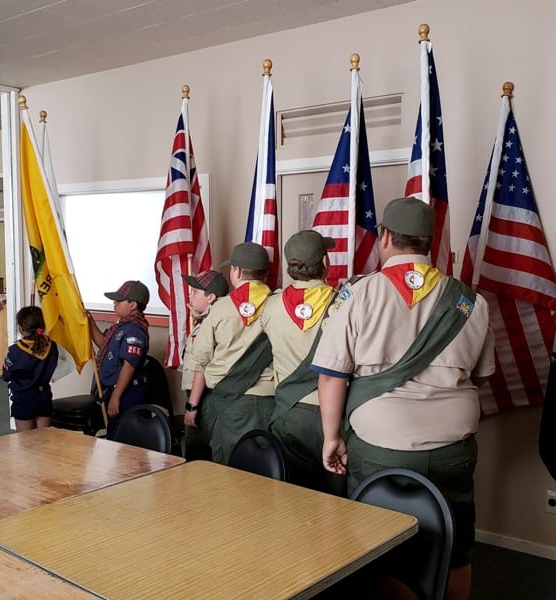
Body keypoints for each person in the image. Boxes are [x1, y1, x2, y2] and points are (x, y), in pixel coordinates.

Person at [311, 197, 496, 600]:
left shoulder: (357, 295)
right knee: (455, 542)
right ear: (429, 243)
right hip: (452, 448)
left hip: (381, 446)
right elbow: (480, 378)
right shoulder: (470, 302)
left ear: (387, 238)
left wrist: (331, 438)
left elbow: (331, 376)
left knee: (375, 545)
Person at [261, 230, 344, 493]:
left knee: (292, 498)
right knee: (337, 503)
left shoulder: (271, 306)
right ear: (326, 263)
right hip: (333, 414)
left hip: (288, 412)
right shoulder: (343, 305)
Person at [184, 242, 275, 464]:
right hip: (269, 400)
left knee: (228, 468)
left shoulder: (220, 308)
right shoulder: (279, 304)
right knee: (264, 468)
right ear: (266, 273)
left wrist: (192, 406)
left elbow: (201, 362)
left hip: (228, 401)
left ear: (235, 271)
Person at [88, 280, 151, 439]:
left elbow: (129, 366)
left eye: (119, 301)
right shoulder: (121, 326)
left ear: (133, 305)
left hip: (128, 393)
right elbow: (103, 344)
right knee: (114, 436)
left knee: (125, 439)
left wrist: (116, 397)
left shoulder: (135, 330)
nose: (114, 303)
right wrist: (90, 322)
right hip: (118, 390)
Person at [180, 269, 230, 461]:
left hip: (203, 398)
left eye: (195, 292)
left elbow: (202, 365)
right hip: (199, 395)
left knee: (197, 454)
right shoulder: (206, 321)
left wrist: (192, 406)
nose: (190, 295)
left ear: (211, 297)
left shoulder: (211, 324)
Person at [2, 306, 59, 432]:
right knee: (43, 443)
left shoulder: (16, 350)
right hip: (43, 396)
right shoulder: (52, 346)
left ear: (21, 328)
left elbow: (6, 376)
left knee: (26, 445)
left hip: (24, 398)